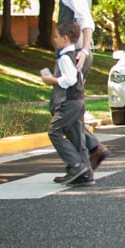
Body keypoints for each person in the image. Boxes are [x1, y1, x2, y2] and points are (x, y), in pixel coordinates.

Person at [46, 0, 107, 171]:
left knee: (62, 107)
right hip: (77, 55)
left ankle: (80, 162)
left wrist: (84, 50)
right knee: (67, 108)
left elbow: (85, 20)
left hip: (75, 56)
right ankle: (91, 149)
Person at [41, 19, 92, 186]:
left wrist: (52, 80)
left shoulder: (64, 58)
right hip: (78, 100)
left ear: (65, 38)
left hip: (69, 102)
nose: (53, 39)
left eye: (56, 36)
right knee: (78, 136)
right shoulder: (75, 55)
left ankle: (76, 165)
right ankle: (86, 173)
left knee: (54, 131)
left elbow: (69, 79)